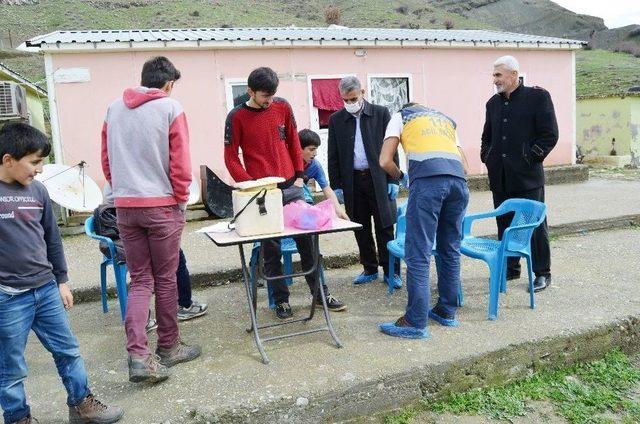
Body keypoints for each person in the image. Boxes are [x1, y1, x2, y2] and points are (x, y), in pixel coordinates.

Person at [0, 123, 124, 424]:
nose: (39, 170)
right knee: (11, 366)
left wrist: (62, 281)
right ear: (8, 160)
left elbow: (52, 239)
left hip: (45, 289)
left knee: (68, 350)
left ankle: (82, 406)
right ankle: (19, 418)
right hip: (8, 297)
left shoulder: (38, 192)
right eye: (34, 162)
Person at [101, 56, 200, 384]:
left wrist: (121, 192)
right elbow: (181, 164)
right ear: (169, 84)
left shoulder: (114, 108)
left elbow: (106, 159)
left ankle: (139, 355)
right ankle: (169, 346)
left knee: (140, 279)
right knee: (166, 278)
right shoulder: (171, 108)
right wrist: (182, 200)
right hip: (162, 206)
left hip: (126, 207)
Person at [224, 67, 346, 319]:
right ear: (250, 91)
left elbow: (293, 140)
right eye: (264, 96)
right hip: (262, 193)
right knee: (271, 250)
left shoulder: (282, 107)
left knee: (309, 243)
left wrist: (300, 175)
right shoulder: (236, 117)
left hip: (292, 187)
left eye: (272, 95)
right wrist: (248, 185)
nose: (269, 101)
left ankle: (320, 294)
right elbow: (230, 157)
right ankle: (280, 301)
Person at [378, 103, 470, 339]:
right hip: (458, 184)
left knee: (418, 251)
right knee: (450, 249)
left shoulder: (401, 116)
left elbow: (384, 161)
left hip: (428, 183)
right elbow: (465, 165)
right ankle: (446, 311)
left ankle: (415, 321)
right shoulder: (445, 119)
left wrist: (401, 177)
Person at [481, 55, 558, 292]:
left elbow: (549, 135)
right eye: (494, 75)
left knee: (533, 226)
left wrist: (529, 158)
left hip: (527, 177)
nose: (494, 80)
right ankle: (512, 268)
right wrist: (488, 157)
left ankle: (542, 272)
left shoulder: (538, 97)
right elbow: (487, 137)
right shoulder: (492, 104)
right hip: (500, 177)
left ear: (514, 75)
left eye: (498, 75)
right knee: (504, 224)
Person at [94, 185, 208, 329]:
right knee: (172, 266)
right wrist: (180, 208)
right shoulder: (152, 168)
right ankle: (184, 307)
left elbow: (110, 192)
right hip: (155, 215)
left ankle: (141, 325)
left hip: (126, 221)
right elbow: (181, 179)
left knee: (140, 279)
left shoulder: (118, 164)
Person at [327, 76, 401, 289]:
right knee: (360, 226)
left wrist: (393, 178)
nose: (350, 103)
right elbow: (333, 154)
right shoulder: (336, 120)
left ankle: (391, 271)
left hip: (378, 178)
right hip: (352, 181)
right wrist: (337, 185)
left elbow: (392, 146)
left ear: (362, 91)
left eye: (353, 98)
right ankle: (369, 268)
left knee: (385, 227)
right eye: (346, 100)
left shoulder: (380, 113)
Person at [298, 128, 349, 220]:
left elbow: (327, 189)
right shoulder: (288, 164)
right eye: (311, 149)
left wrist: (338, 209)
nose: (315, 153)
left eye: (316, 149)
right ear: (298, 148)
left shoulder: (315, 165)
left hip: (305, 202)